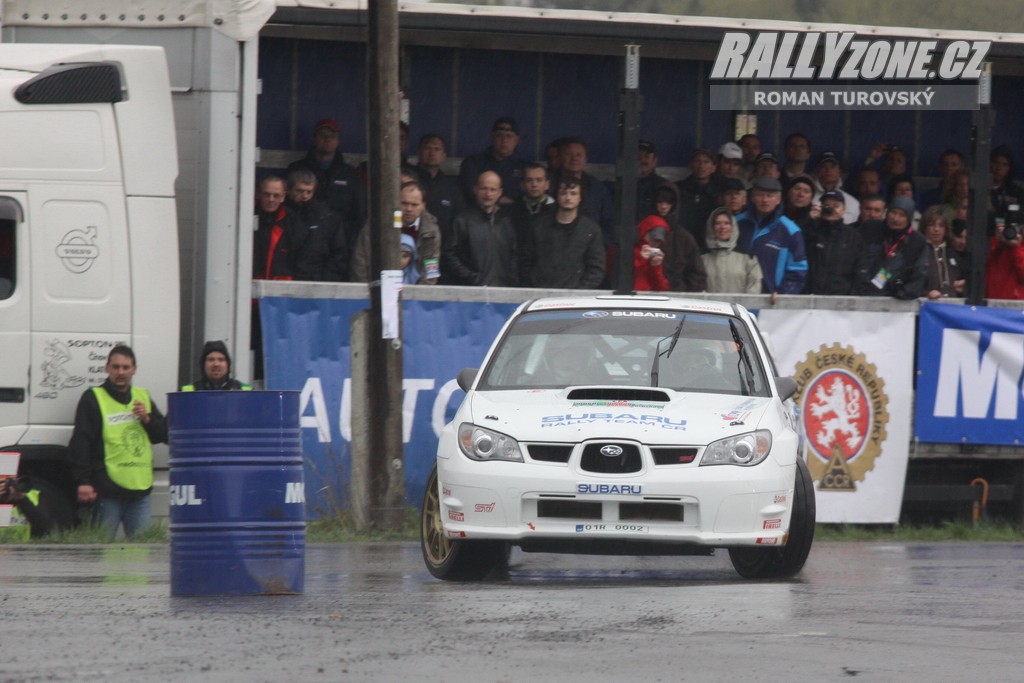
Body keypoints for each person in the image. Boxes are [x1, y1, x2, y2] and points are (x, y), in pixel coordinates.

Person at [69, 345, 167, 539]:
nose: (120, 372)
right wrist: (84, 481)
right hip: (108, 492)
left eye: (125, 367)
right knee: (101, 553)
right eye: (115, 367)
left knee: (140, 555)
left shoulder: (142, 396)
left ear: (134, 369)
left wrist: (147, 419)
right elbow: (81, 442)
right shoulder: (93, 398)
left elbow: (162, 435)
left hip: (139, 491)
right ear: (107, 368)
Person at [287, 118, 365, 251]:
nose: (327, 139)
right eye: (322, 135)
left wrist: (349, 243)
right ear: (314, 139)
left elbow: (360, 214)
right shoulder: (297, 168)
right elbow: (288, 207)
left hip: (340, 244)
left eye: (332, 136)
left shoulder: (351, 174)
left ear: (338, 141)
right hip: (303, 242)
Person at [351, 180, 441, 285]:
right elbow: (361, 260)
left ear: (423, 206)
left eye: (414, 205)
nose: (409, 209)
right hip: (378, 287)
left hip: (415, 291)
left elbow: (431, 268)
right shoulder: (378, 222)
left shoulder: (431, 230)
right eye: (404, 203)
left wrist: (419, 297)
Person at [521, 178, 604, 289]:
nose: (568, 197)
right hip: (540, 293)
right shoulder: (539, 226)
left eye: (573, 193)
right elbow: (526, 261)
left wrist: (579, 292)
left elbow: (596, 269)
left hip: (575, 300)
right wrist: (534, 286)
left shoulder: (591, 230)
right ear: (557, 196)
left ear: (580, 198)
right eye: (563, 193)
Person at [443, 171, 518, 286]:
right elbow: (449, 254)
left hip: (503, 291)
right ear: (475, 189)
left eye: (493, 189)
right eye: (484, 188)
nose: (488, 194)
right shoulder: (462, 220)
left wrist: (510, 279)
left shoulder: (506, 222)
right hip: (472, 291)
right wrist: (471, 278)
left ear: (500, 193)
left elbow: (514, 255)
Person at [736, 176, 808, 294]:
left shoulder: (791, 231)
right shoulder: (736, 224)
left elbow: (798, 269)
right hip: (736, 297)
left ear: (778, 199)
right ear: (753, 197)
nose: (765, 200)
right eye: (760, 195)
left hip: (771, 302)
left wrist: (783, 294)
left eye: (770, 196)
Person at [857, 195, 928, 299]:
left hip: (895, 301)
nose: (895, 219)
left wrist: (903, 293)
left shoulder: (917, 241)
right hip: (859, 295)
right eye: (893, 212)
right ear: (887, 212)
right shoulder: (870, 228)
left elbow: (919, 273)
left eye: (902, 215)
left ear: (909, 219)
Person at [253, 176, 323, 281]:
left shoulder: (293, 222)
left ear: (283, 197)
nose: (271, 199)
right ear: (258, 194)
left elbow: (304, 259)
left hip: (281, 288)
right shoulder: (246, 217)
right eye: (266, 194)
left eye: (276, 196)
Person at [554, 136, 615, 247]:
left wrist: (597, 246)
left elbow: (608, 223)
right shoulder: (549, 185)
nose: (574, 159)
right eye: (569, 154)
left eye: (579, 155)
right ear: (559, 158)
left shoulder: (598, 188)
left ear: (586, 159)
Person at [803, 190, 866, 295]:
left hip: (841, 298)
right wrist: (810, 221)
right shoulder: (812, 229)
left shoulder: (853, 236)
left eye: (836, 206)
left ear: (843, 210)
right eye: (827, 205)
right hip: (811, 296)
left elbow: (860, 267)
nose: (831, 209)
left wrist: (853, 295)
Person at [286, 168, 342, 281]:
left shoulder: (326, 217)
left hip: (317, 280)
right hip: (286, 278)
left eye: (309, 192)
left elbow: (338, 253)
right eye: (299, 191)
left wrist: (327, 281)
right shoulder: (282, 215)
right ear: (289, 190)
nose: (305, 196)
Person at [459, 117, 526, 207]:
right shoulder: (473, 163)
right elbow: (469, 192)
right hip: (479, 215)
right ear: (492, 137)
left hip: (514, 216)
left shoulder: (524, 167)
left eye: (509, 136)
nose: (504, 140)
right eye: (499, 135)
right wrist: (498, 200)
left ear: (516, 140)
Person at [415, 133, 464, 241]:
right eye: (428, 148)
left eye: (437, 149)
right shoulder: (409, 180)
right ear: (419, 153)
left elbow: (458, 219)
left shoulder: (451, 187)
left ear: (444, 156)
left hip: (442, 248)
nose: (432, 153)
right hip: (410, 246)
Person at [703, 207, 762, 294]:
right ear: (711, 227)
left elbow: (754, 285)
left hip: (738, 307)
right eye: (718, 223)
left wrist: (745, 306)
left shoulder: (747, 257)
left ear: (733, 227)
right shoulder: (701, 257)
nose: (722, 227)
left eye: (726, 223)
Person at [675, 148, 720, 252]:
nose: (701, 166)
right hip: (681, 246)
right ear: (691, 165)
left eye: (706, 162)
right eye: (697, 161)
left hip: (708, 249)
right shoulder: (678, 189)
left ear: (713, 167)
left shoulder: (718, 193)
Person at [920, 206, 966, 299]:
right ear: (924, 228)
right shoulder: (918, 252)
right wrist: (926, 293)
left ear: (946, 229)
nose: (936, 229)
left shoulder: (953, 253)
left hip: (952, 308)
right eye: (932, 225)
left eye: (941, 225)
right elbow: (910, 284)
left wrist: (965, 286)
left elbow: (963, 280)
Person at [181, 340, 252, 391]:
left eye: (221, 359)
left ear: (228, 364)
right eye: (211, 359)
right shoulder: (186, 394)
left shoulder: (247, 392)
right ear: (203, 364)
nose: (216, 364)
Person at [984, 211, 1024, 300]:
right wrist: (998, 241)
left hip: (1014, 307)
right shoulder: (997, 248)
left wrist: (1016, 248)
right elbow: (983, 264)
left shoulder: (1020, 250)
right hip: (991, 304)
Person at [813, 151, 859, 225]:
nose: (828, 170)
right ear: (817, 171)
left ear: (839, 171)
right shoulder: (808, 198)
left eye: (832, 166)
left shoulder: (853, 202)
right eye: (824, 166)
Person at [633, 215, 670, 292]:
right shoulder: (627, 248)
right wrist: (641, 259)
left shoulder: (661, 254)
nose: (654, 243)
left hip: (649, 298)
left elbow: (662, 288)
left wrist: (655, 267)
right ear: (644, 233)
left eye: (658, 241)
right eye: (652, 238)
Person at [636, 139, 668, 220]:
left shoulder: (663, 186)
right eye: (638, 156)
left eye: (647, 156)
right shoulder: (623, 185)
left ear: (654, 161)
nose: (642, 160)